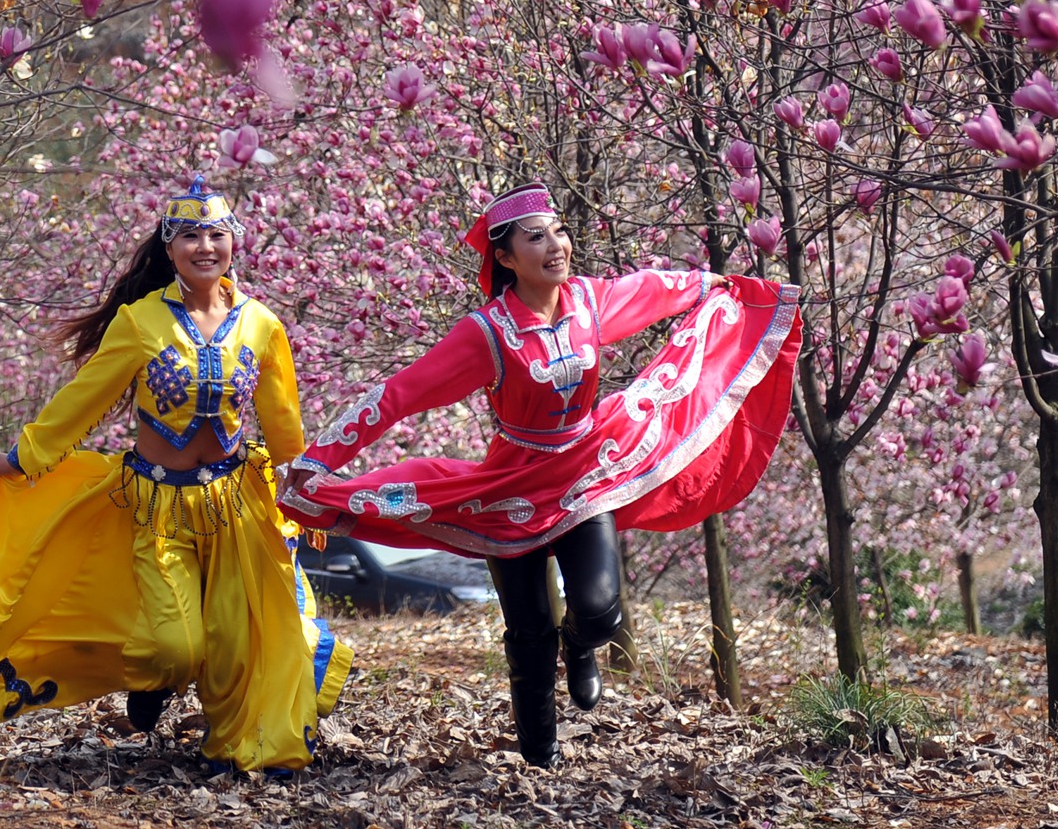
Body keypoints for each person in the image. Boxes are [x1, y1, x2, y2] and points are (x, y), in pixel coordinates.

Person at [279, 183, 802, 767]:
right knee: (528, 633)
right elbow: (400, 394)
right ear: (505, 258)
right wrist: (319, 459)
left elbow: (654, 289)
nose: (556, 245)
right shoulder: (486, 333)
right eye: (536, 237)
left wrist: (716, 285)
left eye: (559, 231)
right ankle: (540, 756)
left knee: (601, 608)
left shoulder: (589, 301)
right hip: (511, 488)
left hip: (585, 471)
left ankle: (581, 645)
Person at [0, 176, 353, 773]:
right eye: (189, 235)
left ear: (234, 242)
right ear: (169, 248)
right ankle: (153, 683)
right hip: (155, 507)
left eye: (217, 234)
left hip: (236, 503)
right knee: (174, 646)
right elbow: (84, 398)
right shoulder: (140, 321)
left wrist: (301, 488)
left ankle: (235, 744)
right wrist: (24, 457)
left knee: (238, 640)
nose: (205, 246)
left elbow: (282, 419)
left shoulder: (262, 325)